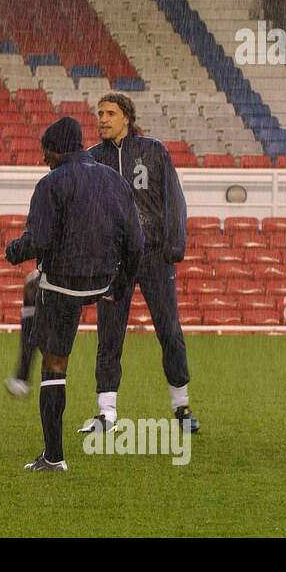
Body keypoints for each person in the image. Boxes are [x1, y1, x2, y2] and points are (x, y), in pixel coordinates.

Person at [5, 118, 144, 472]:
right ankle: (22, 369)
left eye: (45, 153)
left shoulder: (51, 184)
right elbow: (136, 243)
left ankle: (53, 457)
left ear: (56, 150)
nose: (43, 160)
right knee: (32, 287)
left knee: (55, 366)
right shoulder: (114, 179)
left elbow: (37, 241)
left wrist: (13, 250)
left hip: (64, 284)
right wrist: (120, 286)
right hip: (101, 282)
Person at [85, 92, 196, 434]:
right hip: (112, 261)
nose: (102, 119)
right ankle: (106, 413)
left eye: (110, 113)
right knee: (109, 335)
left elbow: (173, 199)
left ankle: (182, 407)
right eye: (100, 113)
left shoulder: (154, 150)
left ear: (127, 118)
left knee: (170, 332)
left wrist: (175, 242)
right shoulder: (91, 160)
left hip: (153, 256)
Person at [4, 270, 40, 398]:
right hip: (32, 314)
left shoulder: (36, 277)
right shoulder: (34, 278)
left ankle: (22, 381)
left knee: (30, 349)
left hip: (37, 315)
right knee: (28, 349)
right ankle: (22, 380)